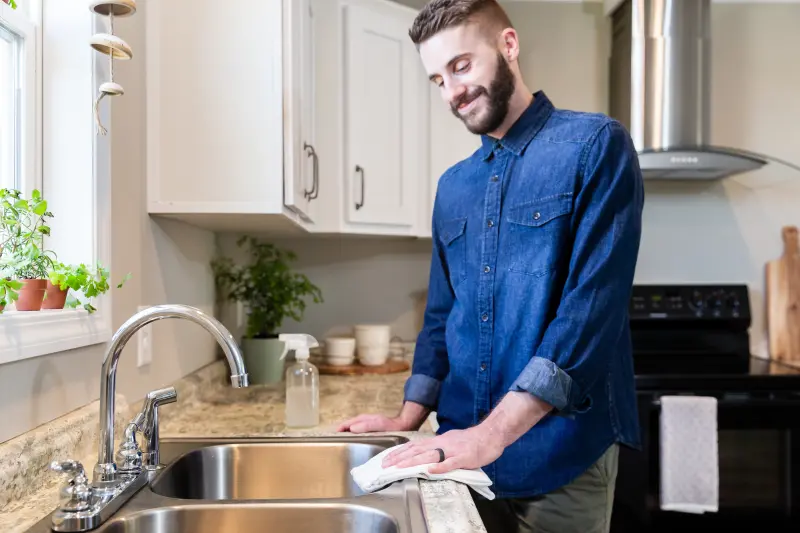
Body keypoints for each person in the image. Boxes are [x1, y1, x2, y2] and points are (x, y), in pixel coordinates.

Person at [337, 1, 644, 531]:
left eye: (461, 66)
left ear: (508, 45)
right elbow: (441, 314)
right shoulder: (453, 186)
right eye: (437, 79)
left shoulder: (595, 146)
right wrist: (409, 416)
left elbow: (589, 314)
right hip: (459, 455)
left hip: (561, 456)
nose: (451, 93)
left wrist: (492, 435)